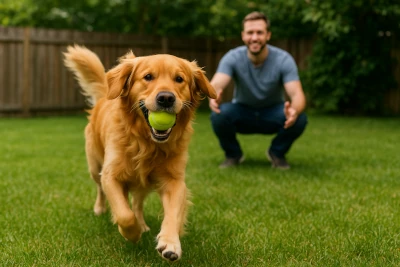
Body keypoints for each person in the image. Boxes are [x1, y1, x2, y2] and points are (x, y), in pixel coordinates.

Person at [209, 11, 308, 169]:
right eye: (250, 33)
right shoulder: (232, 57)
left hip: (273, 112)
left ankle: (277, 153)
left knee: (300, 118)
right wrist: (213, 96)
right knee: (219, 115)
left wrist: (294, 111)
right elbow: (217, 83)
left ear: (268, 35)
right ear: (243, 35)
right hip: (242, 111)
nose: (254, 38)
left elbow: (297, 94)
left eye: (259, 33)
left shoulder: (284, 59)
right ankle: (233, 155)